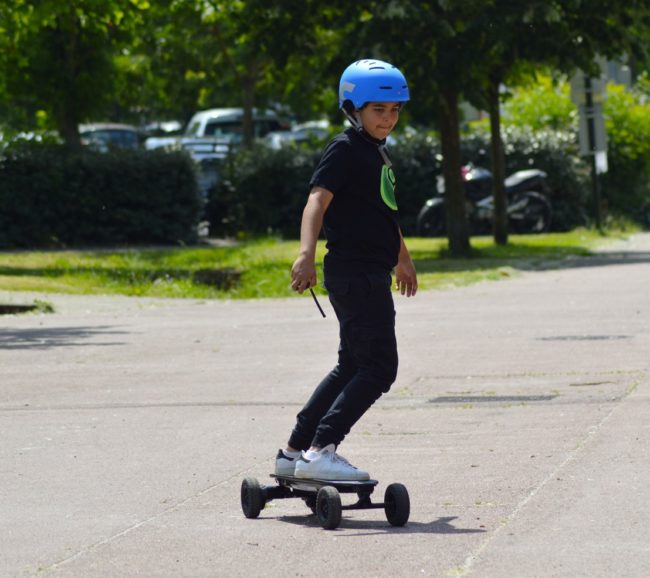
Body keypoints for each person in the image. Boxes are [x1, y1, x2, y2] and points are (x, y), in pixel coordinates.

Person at [275, 59, 418, 481]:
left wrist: (402, 256)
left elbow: (382, 213)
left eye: (394, 111)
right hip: (355, 272)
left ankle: (293, 451)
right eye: (379, 110)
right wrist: (305, 253)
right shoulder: (345, 148)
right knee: (379, 368)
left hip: (367, 270)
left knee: (353, 365)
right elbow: (316, 201)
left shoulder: (376, 152)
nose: (388, 119)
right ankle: (322, 448)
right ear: (353, 107)